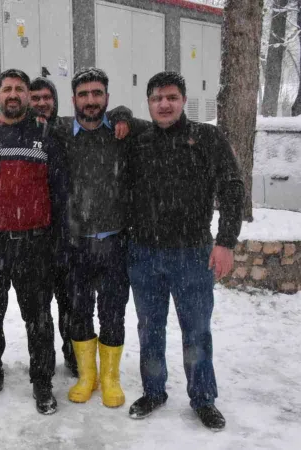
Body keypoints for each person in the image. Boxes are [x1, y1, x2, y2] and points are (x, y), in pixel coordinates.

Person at [126, 71, 243, 430]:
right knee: (150, 329)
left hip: (192, 254)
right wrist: (118, 115)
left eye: (171, 97)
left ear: (183, 101)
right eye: (157, 98)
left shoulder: (206, 138)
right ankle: (154, 390)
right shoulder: (139, 141)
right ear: (148, 103)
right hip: (144, 253)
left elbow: (233, 187)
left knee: (196, 329)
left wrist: (225, 242)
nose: (164, 104)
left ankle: (203, 398)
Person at [0, 69, 68, 415]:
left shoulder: (45, 135)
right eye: (7, 89)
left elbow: (60, 193)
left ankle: (42, 381)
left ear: (27, 95)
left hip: (34, 244)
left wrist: (60, 242)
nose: (13, 94)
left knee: (38, 318)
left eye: (19, 89)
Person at [53, 68, 133, 409]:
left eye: (97, 93)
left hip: (114, 243)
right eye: (83, 94)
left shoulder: (122, 134)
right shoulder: (57, 134)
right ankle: (88, 376)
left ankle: (111, 378)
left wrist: (124, 115)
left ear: (107, 99)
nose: (90, 100)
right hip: (75, 243)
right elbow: (21, 119)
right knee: (79, 312)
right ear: (73, 100)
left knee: (113, 313)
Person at [29, 77, 77, 378]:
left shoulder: (68, 131)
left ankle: (74, 359)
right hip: (34, 240)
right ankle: (42, 365)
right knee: (38, 310)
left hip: (69, 236)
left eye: (47, 97)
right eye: (35, 97)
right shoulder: (17, 135)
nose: (42, 102)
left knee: (71, 307)